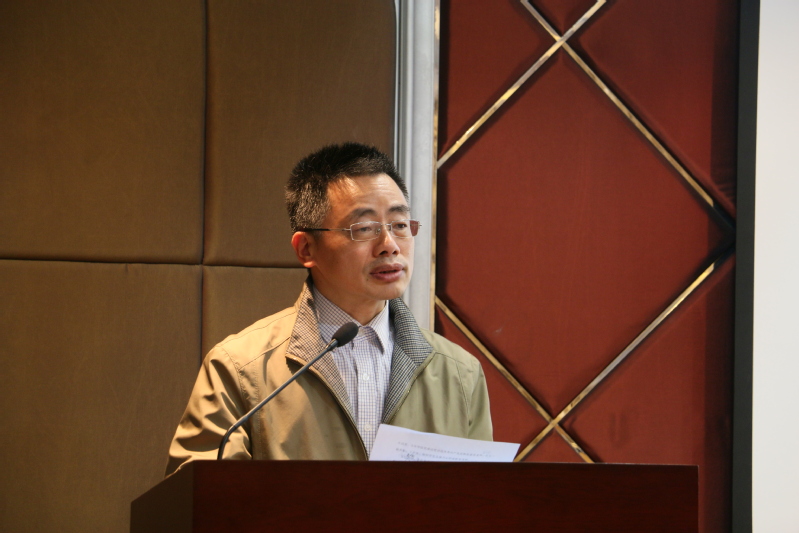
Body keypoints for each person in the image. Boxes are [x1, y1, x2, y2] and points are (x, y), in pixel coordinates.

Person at [166, 142, 492, 475]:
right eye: (364, 229)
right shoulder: (240, 368)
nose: (390, 246)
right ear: (307, 248)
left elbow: (481, 498)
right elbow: (198, 499)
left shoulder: (460, 374)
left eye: (399, 225)